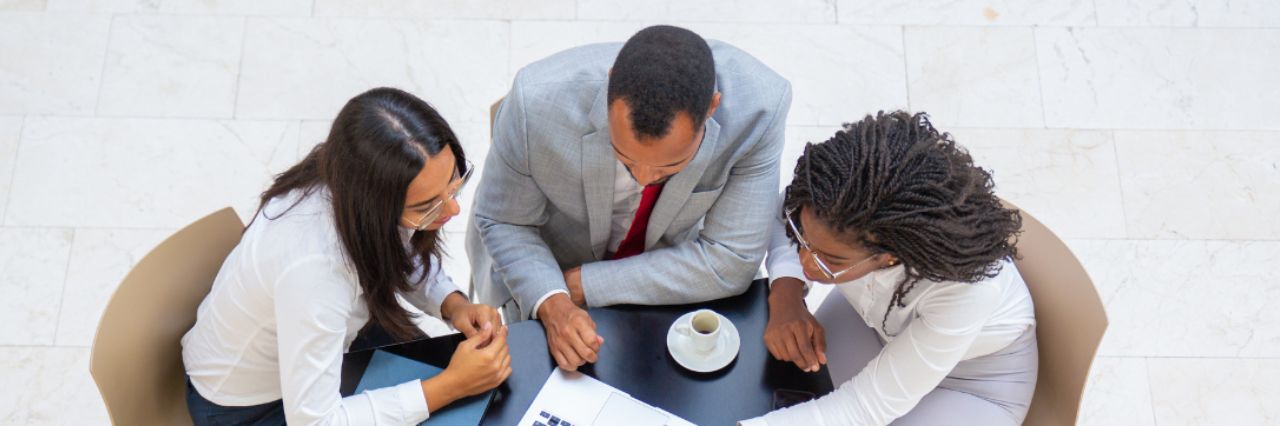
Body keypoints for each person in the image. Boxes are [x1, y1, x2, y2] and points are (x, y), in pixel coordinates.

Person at [466, 24, 791, 372]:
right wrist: (553, 298)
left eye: (670, 166)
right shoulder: (534, 102)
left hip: (665, 272)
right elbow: (505, 220)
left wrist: (585, 285)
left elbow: (732, 258)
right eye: (625, 158)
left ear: (712, 108)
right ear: (609, 85)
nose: (644, 177)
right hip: (545, 265)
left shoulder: (760, 109)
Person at [181, 88, 511, 425]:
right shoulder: (315, 271)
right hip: (249, 406)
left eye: (454, 183)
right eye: (427, 206)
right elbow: (315, 421)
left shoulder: (349, 180)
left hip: (328, 343)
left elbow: (396, 248)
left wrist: (453, 304)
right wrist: (451, 385)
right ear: (375, 205)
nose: (454, 209)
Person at [742, 111, 1037, 425]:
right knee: (779, 387)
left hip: (973, 383)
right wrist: (786, 295)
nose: (805, 263)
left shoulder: (969, 292)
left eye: (832, 260)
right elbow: (780, 213)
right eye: (802, 239)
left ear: (890, 257)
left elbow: (863, 409)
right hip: (877, 328)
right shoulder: (831, 201)